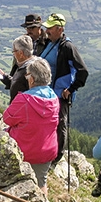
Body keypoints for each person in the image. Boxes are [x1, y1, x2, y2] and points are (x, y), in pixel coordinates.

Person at [2, 58, 59, 195]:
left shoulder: (24, 100)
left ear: (32, 79)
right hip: (47, 151)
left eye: (27, 75)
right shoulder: (54, 99)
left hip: (24, 150)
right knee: (41, 182)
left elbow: (7, 118)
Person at [40, 13, 88, 161]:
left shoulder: (68, 47)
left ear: (60, 29)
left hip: (61, 94)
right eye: (46, 27)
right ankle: (47, 149)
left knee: (60, 123)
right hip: (47, 93)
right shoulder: (50, 43)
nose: (47, 30)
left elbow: (83, 72)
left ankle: (57, 156)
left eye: (50, 28)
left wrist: (71, 89)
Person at [0, 35, 36, 103]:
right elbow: (19, 83)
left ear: (21, 53)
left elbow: (30, 90)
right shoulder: (24, 66)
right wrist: (4, 76)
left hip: (22, 108)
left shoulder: (29, 70)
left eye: (14, 51)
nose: (14, 54)